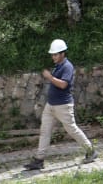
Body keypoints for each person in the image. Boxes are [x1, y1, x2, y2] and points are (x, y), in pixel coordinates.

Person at [23, 38, 96, 170]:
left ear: (63, 54)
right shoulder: (58, 66)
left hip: (63, 106)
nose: (53, 57)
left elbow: (63, 84)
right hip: (51, 105)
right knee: (44, 131)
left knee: (72, 129)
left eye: (55, 54)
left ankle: (91, 151)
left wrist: (49, 77)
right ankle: (39, 160)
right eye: (52, 54)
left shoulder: (67, 66)